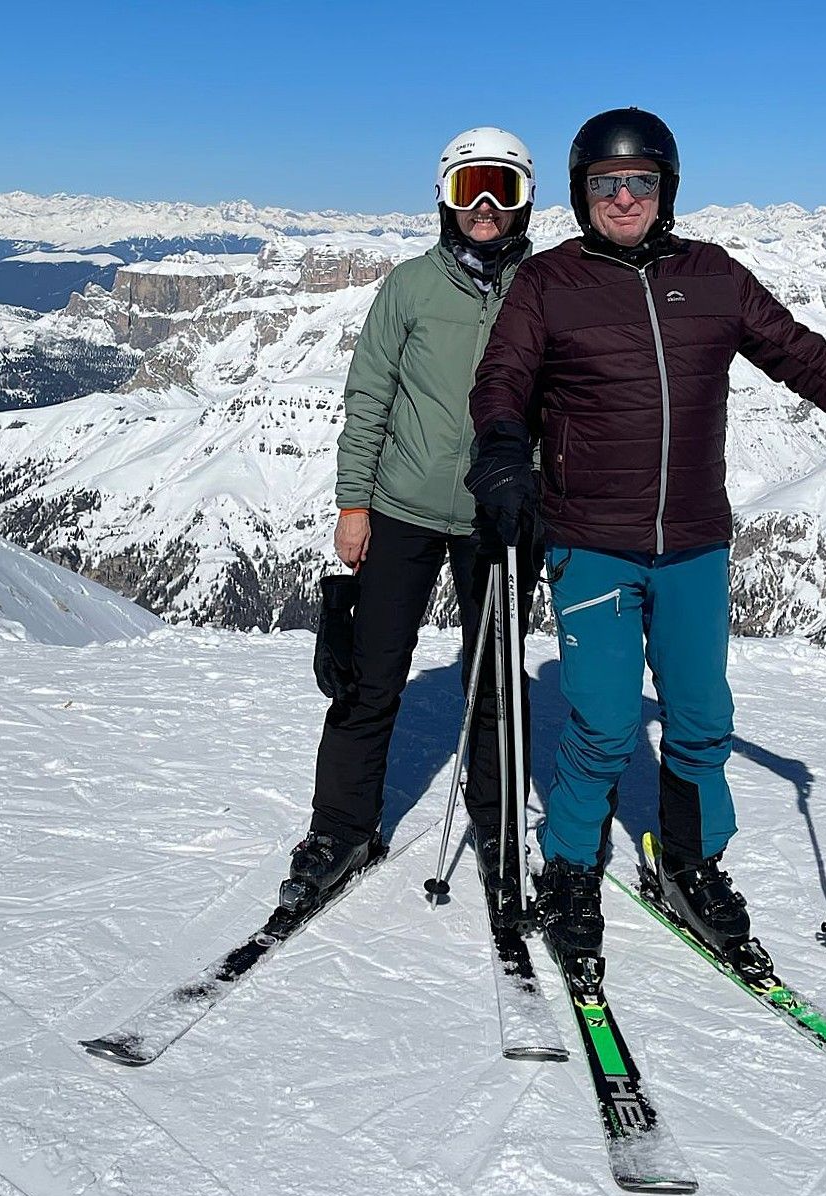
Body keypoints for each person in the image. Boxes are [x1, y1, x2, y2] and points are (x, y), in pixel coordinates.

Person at [466, 107, 826, 960]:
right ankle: (573, 868)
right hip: (592, 538)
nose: (623, 197)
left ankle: (689, 861)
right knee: (604, 724)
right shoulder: (548, 283)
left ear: (667, 189)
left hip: (696, 539)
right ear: (582, 193)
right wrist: (505, 454)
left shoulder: (713, 277)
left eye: (641, 181)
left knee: (700, 719)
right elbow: (501, 379)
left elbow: (805, 358)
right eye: (604, 183)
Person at [280, 126, 542, 918]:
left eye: (501, 188)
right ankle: (342, 829)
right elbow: (370, 399)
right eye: (470, 190)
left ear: (525, 198)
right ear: (445, 200)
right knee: (369, 677)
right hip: (400, 509)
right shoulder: (408, 287)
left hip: (499, 518)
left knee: (494, 680)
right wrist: (353, 504)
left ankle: (497, 831)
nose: (486, 208)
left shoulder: (546, 288)